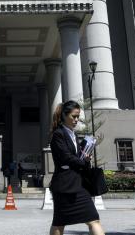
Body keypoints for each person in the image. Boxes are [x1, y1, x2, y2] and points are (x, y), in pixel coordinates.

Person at [48, 100, 105, 235]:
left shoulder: (73, 134)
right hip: (64, 186)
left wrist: (85, 157)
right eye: (73, 116)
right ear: (64, 115)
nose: (76, 120)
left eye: (78, 116)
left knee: (94, 219)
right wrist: (83, 162)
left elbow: (75, 157)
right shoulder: (58, 134)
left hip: (79, 185)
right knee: (59, 223)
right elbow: (66, 157)